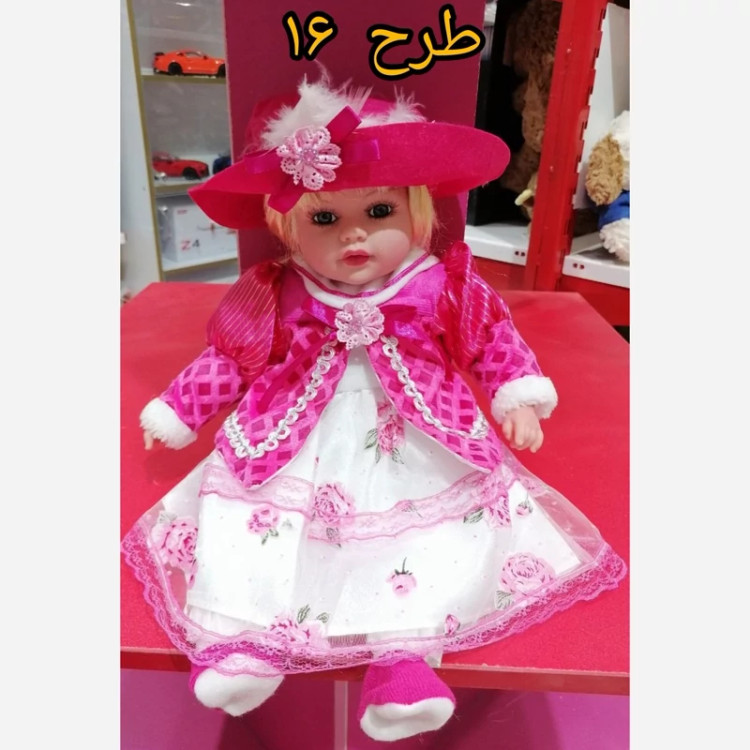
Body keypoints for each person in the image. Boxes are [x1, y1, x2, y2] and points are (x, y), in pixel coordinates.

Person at [122, 76, 626, 742]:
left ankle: (404, 662)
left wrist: (518, 396)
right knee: (261, 526)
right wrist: (180, 411)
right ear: (287, 226)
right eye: (324, 219)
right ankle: (245, 644)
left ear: (415, 214)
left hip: (417, 435)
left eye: (379, 211)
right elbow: (232, 360)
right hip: (293, 436)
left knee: (418, 542)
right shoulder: (276, 288)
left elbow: (489, 340)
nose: (354, 235)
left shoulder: (440, 283)